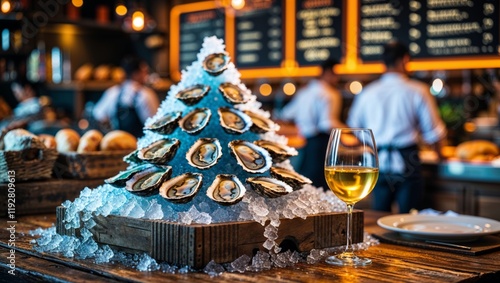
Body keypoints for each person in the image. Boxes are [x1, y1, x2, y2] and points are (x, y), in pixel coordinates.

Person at [347, 41, 447, 213]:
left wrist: (370, 146)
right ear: (404, 60)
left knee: (379, 215)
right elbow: (434, 132)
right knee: (410, 218)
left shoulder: (368, 92)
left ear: (383, 62)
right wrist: (441, 156)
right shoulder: (417, 90)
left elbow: (354, 128)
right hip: (408, 159)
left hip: (377, 160)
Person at [279, 58, 346, 190]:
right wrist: (349, 131)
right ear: (328, 73)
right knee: (324, 186)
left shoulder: (305, 91)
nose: (337, 79)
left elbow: (285, 114)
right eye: (335, 75)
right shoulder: (330, 93)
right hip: (322, 144)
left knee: (307, 184)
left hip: (307, 144)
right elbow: (327, 123)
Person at [93, 56, 160, 137]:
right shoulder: (146, 94)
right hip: (141, 145)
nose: (146, 75)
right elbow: (156, 124)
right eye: (144, 71)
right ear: (136, 74)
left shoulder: (113, 92)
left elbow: (98, 114)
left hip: (118, 144)